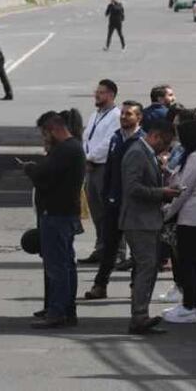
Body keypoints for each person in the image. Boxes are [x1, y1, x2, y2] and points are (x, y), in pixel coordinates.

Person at [26, 110, 85, 328]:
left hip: (57, 215)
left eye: (45, 133)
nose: (44, 139)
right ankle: (66, 310)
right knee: (66, 264)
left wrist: (31, 170)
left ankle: (58, 311)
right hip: (62, 214)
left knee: (58, 266)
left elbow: (45, 176)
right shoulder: (71, 149)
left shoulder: (65, 150)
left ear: (53, 130)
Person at [120, 118, 178, 335]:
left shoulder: (148, 154)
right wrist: (162, 193)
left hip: (148, 220)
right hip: (138, 221)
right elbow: (133, 188)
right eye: (165, 142)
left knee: (149, 267)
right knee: (146, 267)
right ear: (154, 136)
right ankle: (139, 316)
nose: (166, 147)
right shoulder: (137, 153)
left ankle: (141, 314)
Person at [84, 100, 144, 300]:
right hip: (115, 201)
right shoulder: (117, 137)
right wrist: (108, 193)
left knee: (137, 249)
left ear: (139, 118)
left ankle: (137, 288)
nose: (124, 117)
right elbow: (110, 168)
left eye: (129, 114)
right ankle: (100, 285)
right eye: (123, 113)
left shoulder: (143, 141)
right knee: (109, 247)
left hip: (135, 204)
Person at [161, 116, 196, 324]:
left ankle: (190, 306)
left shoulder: (195, 157)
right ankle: (194, 305)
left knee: (188, 263)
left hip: (190, 216)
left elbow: (182, 190)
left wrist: (168, 212)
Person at [80, 79, 122, 265]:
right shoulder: (95, 115)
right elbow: (86, 138)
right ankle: (101, 247)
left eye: (102, 92)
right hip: (91, 168)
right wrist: (85, 156)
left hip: (104, 167)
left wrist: (90, 157)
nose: (97, 95)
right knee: (96, 211)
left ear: (111, 95)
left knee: (109, 212)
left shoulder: (116, 116)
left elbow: (109, 143)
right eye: (97, 92)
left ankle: (117, 252)